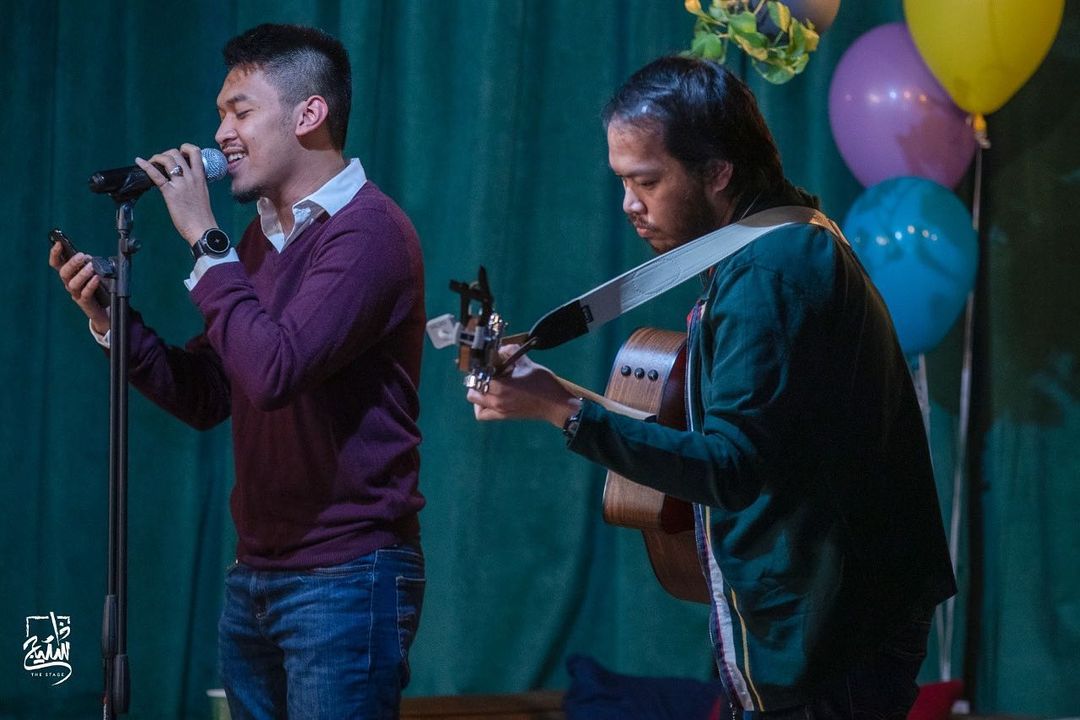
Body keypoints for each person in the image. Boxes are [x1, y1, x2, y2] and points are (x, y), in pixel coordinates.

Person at [467, 56, 956, 716]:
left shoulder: (770, 271)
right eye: (622, 181)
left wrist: (563, 411)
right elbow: (759, 446)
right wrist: (556, 393)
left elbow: (731, 467)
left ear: (718, 171)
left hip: (832, 636)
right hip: (836, 622)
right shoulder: (782, 242)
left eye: (647, 180)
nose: (629, 204)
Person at [50, 24, 426, 719]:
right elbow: (211, 393)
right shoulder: (260, 238)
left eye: (240, 111)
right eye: (221, 113)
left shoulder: (369, 233)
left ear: (309, 114)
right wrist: (111, 320)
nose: (220, 134)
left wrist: (205, 238)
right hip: (256, 573)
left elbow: (276, 370)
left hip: (346, 576)